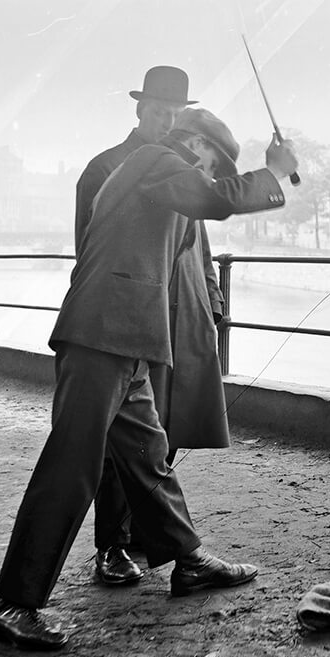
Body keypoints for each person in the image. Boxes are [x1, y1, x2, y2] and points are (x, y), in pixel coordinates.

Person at [0, 107, 300, 650]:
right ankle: (16, 603)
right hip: (102, 335)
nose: (210, 171)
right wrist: (273, 172)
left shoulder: (154, 174)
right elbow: (213, 197)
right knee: (72, 465)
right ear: (196, 145)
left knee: (147, 457)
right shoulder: (154, 160)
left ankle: (189, 560)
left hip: (125, 339)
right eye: (212, 160)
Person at [74, 66, 231, 588]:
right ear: (139, 108)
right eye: (157, 109)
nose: (164, 119)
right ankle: (113, 543)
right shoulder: (107, 167)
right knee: (120, 437)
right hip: (134, 312)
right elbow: (91, 249)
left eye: (173, 111)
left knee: (157, 429)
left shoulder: (182, 167)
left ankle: (155, 535)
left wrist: (209, 296)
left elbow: (198, 242)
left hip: (179, 308)